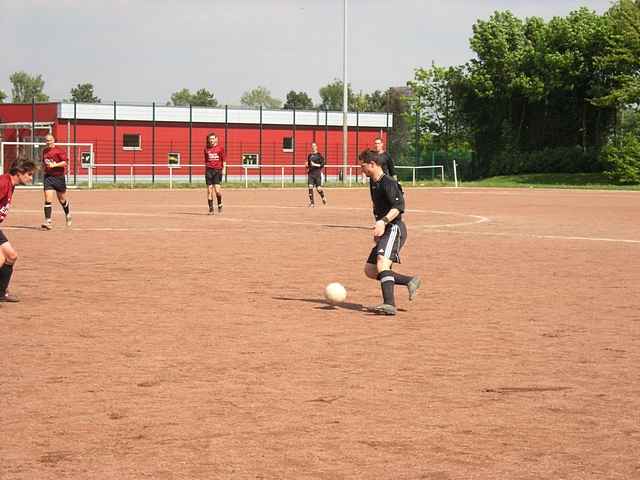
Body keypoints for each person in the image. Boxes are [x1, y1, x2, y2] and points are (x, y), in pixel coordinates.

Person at [359, 149, 420, 316]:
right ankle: (409, 281)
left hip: (394, 228)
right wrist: (378, 227)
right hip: (385, 229)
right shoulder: (373, 181)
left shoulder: (389, 182)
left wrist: (383, 222)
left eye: (363, 166)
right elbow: (378, 208)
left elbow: (399, 207)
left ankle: (389, 304)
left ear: (372, 164)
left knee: (381, 262)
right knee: (371, 270)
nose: (361, 169)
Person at [0, 159, 36, 303]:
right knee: (2, 258)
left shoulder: (11, 184)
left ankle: (1, 292)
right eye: (29, 174)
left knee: (11, 256)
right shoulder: (3, 183)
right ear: (20, 173)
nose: (31, 178)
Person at [41, 134, 72, 230]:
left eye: (50, 140)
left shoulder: (59, 150)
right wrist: (43, 168)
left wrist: (55, 165)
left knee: (62, 199)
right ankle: (48, 222)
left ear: (54, 140)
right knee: (48, 199)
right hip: (48, 177)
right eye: (47, 140)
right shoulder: (44, 151)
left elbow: (65, 162)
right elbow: (44, 163)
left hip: (59, 178)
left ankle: (67, 214)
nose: (48, 142)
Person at [204, 132, 225, 214]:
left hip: (217, 171)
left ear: (216, 139)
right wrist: (207, 169)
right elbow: (206, 160)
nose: (211, 140)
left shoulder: (220, 148)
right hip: (209, 171)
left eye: (213, 138)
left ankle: (219, 204)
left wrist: (224, 170)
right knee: (209, 191)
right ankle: (211, 209)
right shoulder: (206, 149)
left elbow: (224, 160)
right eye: (210, 139)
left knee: (217, 191)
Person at [307, 141, 327, 207]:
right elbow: (309, 164)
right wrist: (307, 165)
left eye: (314, 146)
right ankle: (312, 203)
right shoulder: (309, 155)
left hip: (317, 174)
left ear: (316, 147)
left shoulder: (319, 155)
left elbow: (322, 164)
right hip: (311, 174)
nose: (313, 147)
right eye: (312, 146)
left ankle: (323, 197)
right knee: (310, 187)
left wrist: (315, 164)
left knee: (318, 189)